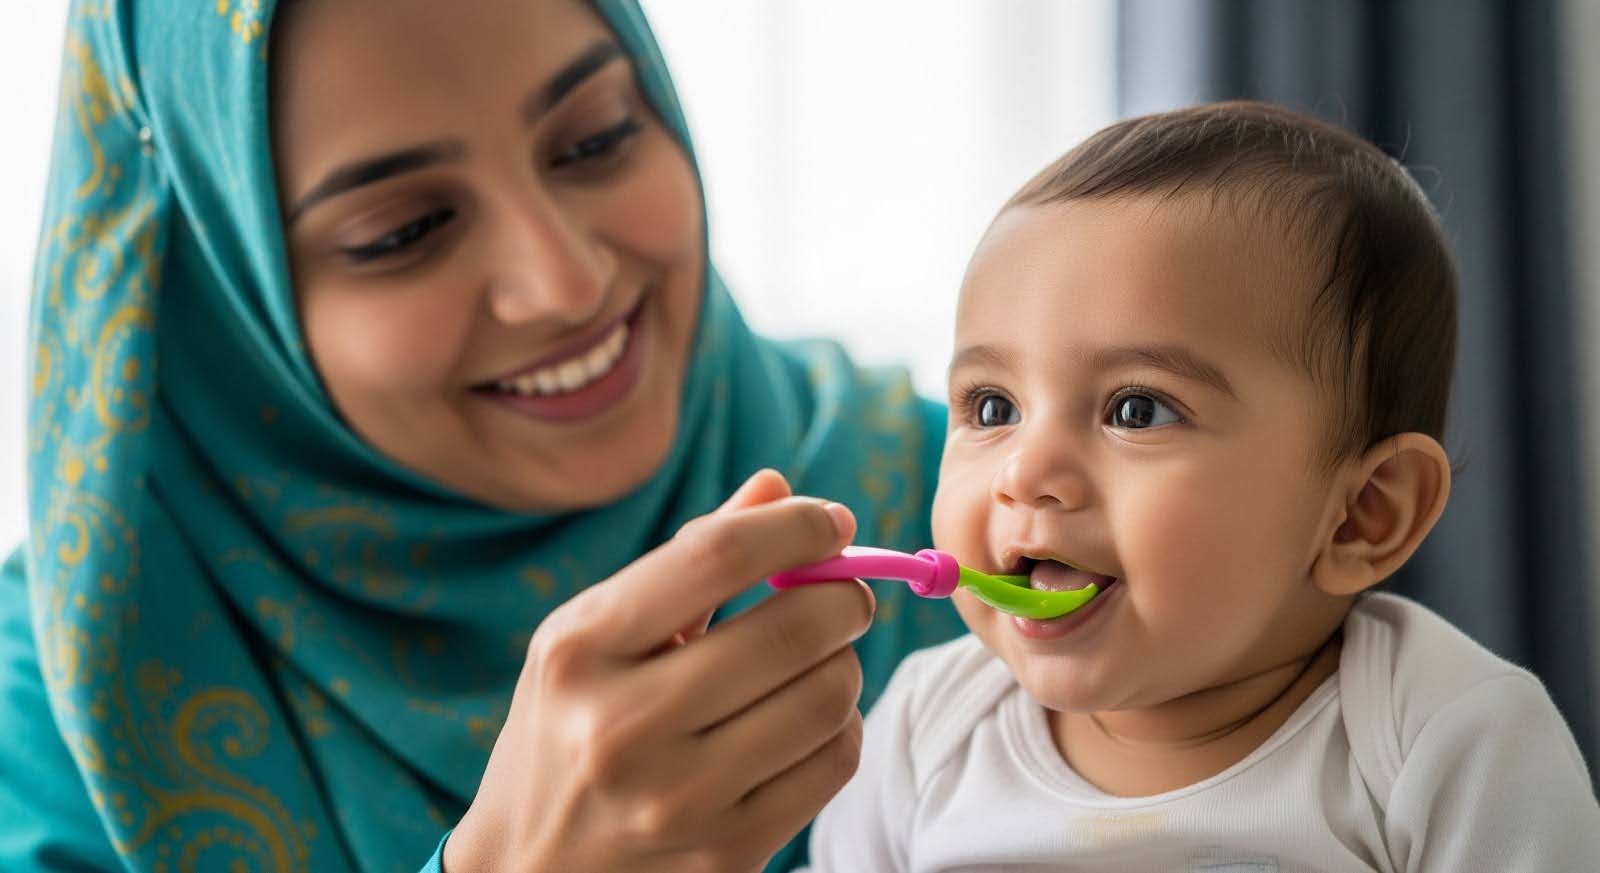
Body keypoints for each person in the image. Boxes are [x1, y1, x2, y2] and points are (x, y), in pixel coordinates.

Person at [0, 1, 968, 870]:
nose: (566, 284)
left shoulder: (980, 506)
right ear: (218, 301)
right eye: (403, 230)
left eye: (594, 141)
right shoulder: (63, 702)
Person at [802, 101, 1600, 871]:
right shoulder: (926, 728)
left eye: (1136, 409)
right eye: (992, 406)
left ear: (1362, 514)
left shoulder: (1446, 742)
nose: (1026, 473)